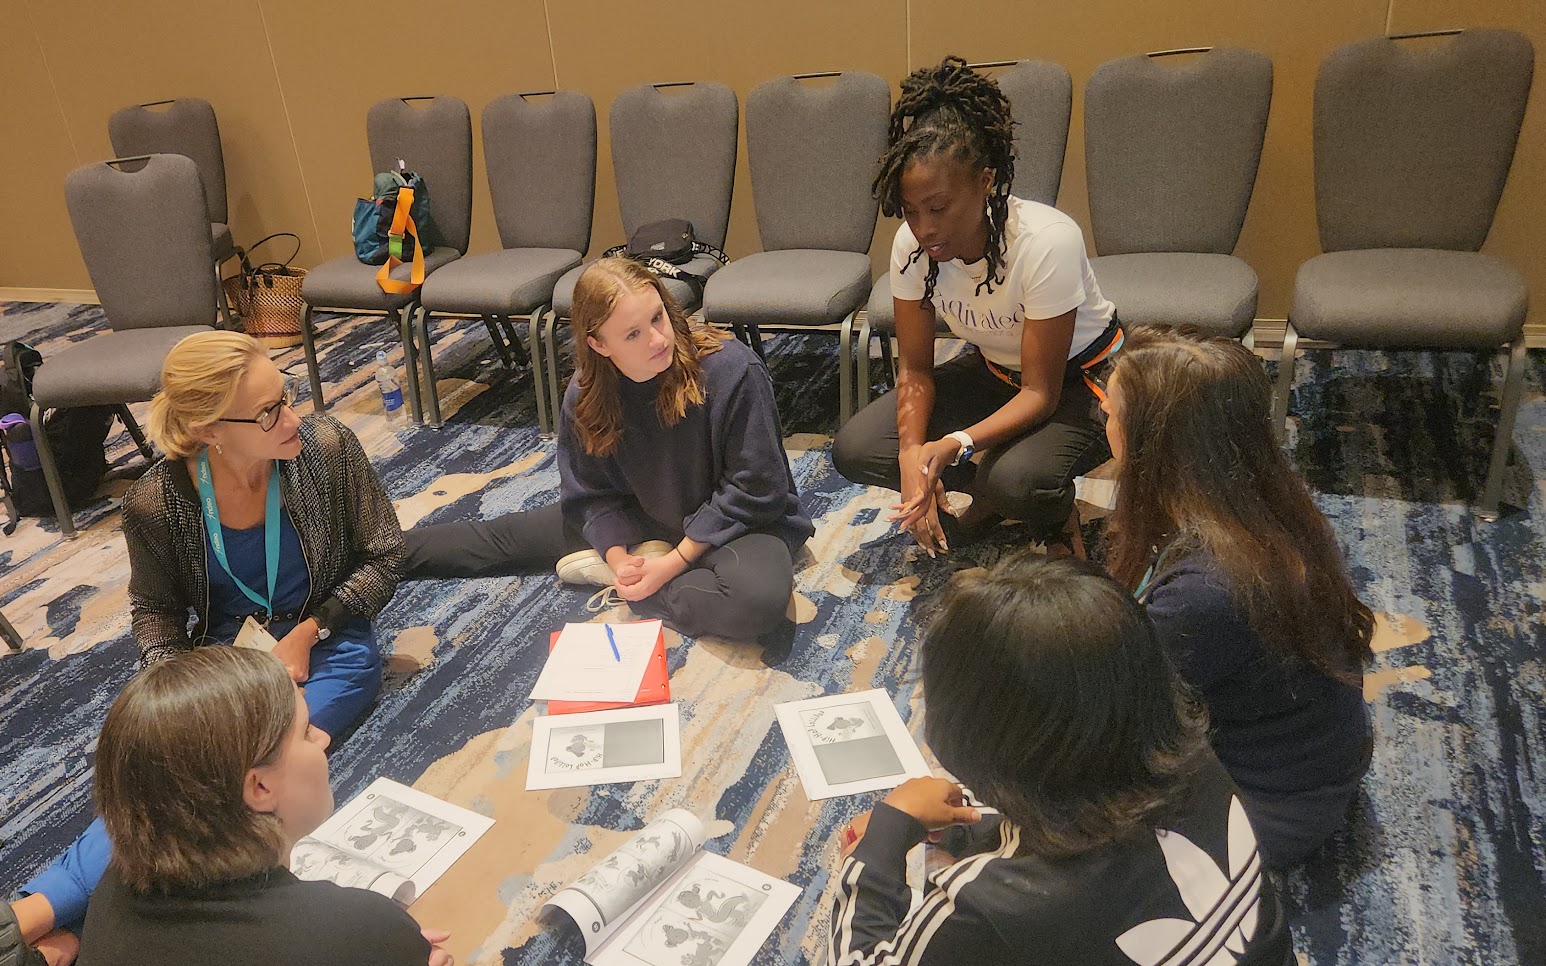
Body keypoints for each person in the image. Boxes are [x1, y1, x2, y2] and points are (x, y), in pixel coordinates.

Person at [0, 330, 406, 966]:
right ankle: (42, 959)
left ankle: (11, 928)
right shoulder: (156, 500)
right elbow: (154, 613)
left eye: (287, 394)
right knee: (183, 774)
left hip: (330, 653)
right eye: (269, 410)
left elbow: (387, 555)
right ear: (209, 430)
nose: (292, 416)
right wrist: (179, 695)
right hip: (225, 660)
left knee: (200, 784)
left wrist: (310, 631)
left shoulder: (325, 450)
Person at [792, 554, 1316, 966]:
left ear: (970, 732)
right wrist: (969, 827)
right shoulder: (1191, 760)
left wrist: (883, 837)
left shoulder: (996, 904)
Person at [57, 646, 572, 966]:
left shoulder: (115, 889)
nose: (322, 739)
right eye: (305, 732)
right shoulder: (353, 933)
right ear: (259, 787)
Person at [405, 257, 813, 641]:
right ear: (599, 344)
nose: (658, 339)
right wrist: (618, 557)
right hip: (639, 513)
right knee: (498, 540)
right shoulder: (585, 392)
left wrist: (670, 564)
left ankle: (641, 586)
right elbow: (589, 494)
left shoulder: (732, 368)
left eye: (658, 318)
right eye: (633, 334)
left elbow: (757, 488)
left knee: (756, 602)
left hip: (735, 525)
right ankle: (376, 552)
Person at [1103, 327, 1374, 868]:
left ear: (1156, 443)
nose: (1102, 418)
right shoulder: (1261, 508)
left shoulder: (1203, 593)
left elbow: (1115, 717)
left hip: (1266, 810)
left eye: (1111, 412)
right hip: (1310, 765)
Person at [830, 58, 1121, 553]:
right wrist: (911, 458)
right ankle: (995, 492)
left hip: (1081, 381)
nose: (925, 228)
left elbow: (1041, 393)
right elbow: (915, 370)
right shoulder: (912, 247)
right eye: (911, 211)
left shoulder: (1045, 241)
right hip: (996, 372)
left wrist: (956, 444)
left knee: (1017, 481)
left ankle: (1040, 507)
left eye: (938, 208)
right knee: (858, 448)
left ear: (986, 181)